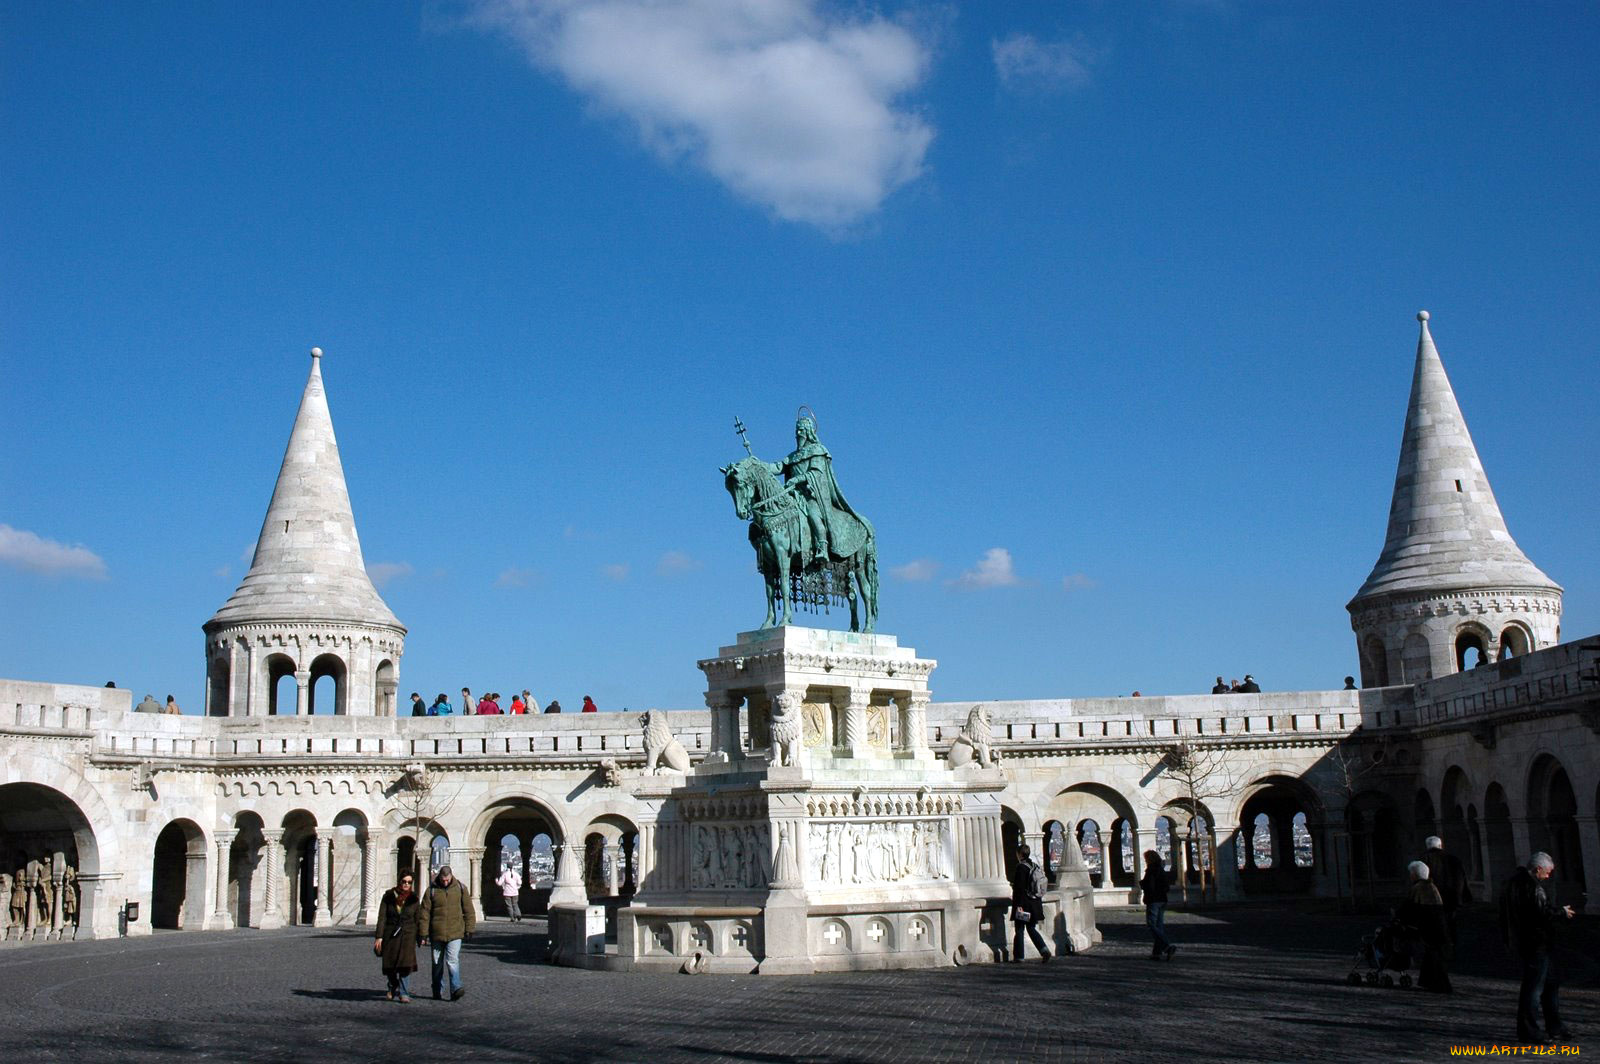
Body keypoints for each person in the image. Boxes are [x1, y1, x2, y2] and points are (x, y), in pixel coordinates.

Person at [769, 412, 871, 569]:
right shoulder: (792, 456)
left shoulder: (817, 450)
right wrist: (758, 465)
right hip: (794, 495)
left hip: (812, 495)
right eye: (796, 430)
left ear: (809, 432)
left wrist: (797, 479)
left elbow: (816, 473)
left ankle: (822, 547)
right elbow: (777, 467)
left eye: (801, 430)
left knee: (813, 514)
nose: (798, 434)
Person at [1501, 852, 1575, 1044]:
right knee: (1534, 989)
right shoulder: (1534, 888)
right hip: (1537, 943)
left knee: (1549, 985)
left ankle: (1555, 1026)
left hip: (1526, 941)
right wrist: (1562, 912)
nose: (1549, 876)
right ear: (1538, 869)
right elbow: (1542, 914)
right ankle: (1530, 1031)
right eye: (1548, 872)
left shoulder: (1514, 883)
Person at [418, 865, 475, 1001]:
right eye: (443, 880)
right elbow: (424, 913)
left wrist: (469, 929)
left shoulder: (460, 888)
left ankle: (455, 988)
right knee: (437, 963)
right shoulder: (431, 890)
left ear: (451, 877)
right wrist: (423, 933)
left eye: (447, 880)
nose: (445, 882)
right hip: (436, 933)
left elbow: (469, 910)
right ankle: (437, 989)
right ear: (439, 877)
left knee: (452, 961)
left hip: (455, 932)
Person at [1397, 860, 1451, 992]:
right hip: (1438, 926)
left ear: (1415, 875)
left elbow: (1409, 909)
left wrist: (1400, 919)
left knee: (1433, 955)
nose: (1410, 876)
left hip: (1427, 927)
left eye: (1411, 873)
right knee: (1433, 954)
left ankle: (1440, 984)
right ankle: (1428, 981)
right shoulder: (1432, 887)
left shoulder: (1418, 888)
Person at [373, 871, 420, 1003]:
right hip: (391, 934)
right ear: (399, 881)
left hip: (407, 935)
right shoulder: (388, 896)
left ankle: (404, 993)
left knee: (405, 965)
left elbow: (418, 918)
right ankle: (393, 984)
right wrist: (379, 936)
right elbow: (382, 917)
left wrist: (421, 935)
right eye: (404, 881)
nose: (406, 884)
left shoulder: (414, 898)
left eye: (409, 882)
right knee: (390, 964)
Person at [1008, 844, 1051, 963]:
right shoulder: (1034, 866)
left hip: (1024, 905)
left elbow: (1019, 889)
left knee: (1020, 929)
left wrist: (1019, 907)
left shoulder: (1021, 868)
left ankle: (1019, 957)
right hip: (1034, 904)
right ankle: (1044, 950)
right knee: (1031, 928)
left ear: (1020, 854)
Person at [1422, 836, 1471, 940]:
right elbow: (1461, 878)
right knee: (1450, 922)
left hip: (1433, 899)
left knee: (1435, 924)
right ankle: (1451, 943)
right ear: (1441, 845)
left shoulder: (1424, 859)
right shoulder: (1453, 859)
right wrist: (1461, 897)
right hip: (1451, 897)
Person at [1139, 850, 1176, 960]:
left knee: (1152, 925)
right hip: (1162, 900)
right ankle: (1157, 953)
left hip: (1153, 900)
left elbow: (1150, 886)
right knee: (1159, 926)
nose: (1145, 860)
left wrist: (1142, 884)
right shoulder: (1161, 869)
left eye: (1146, 858)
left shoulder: (1151, 870)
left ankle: (1167, 946)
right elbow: (1166, 886)